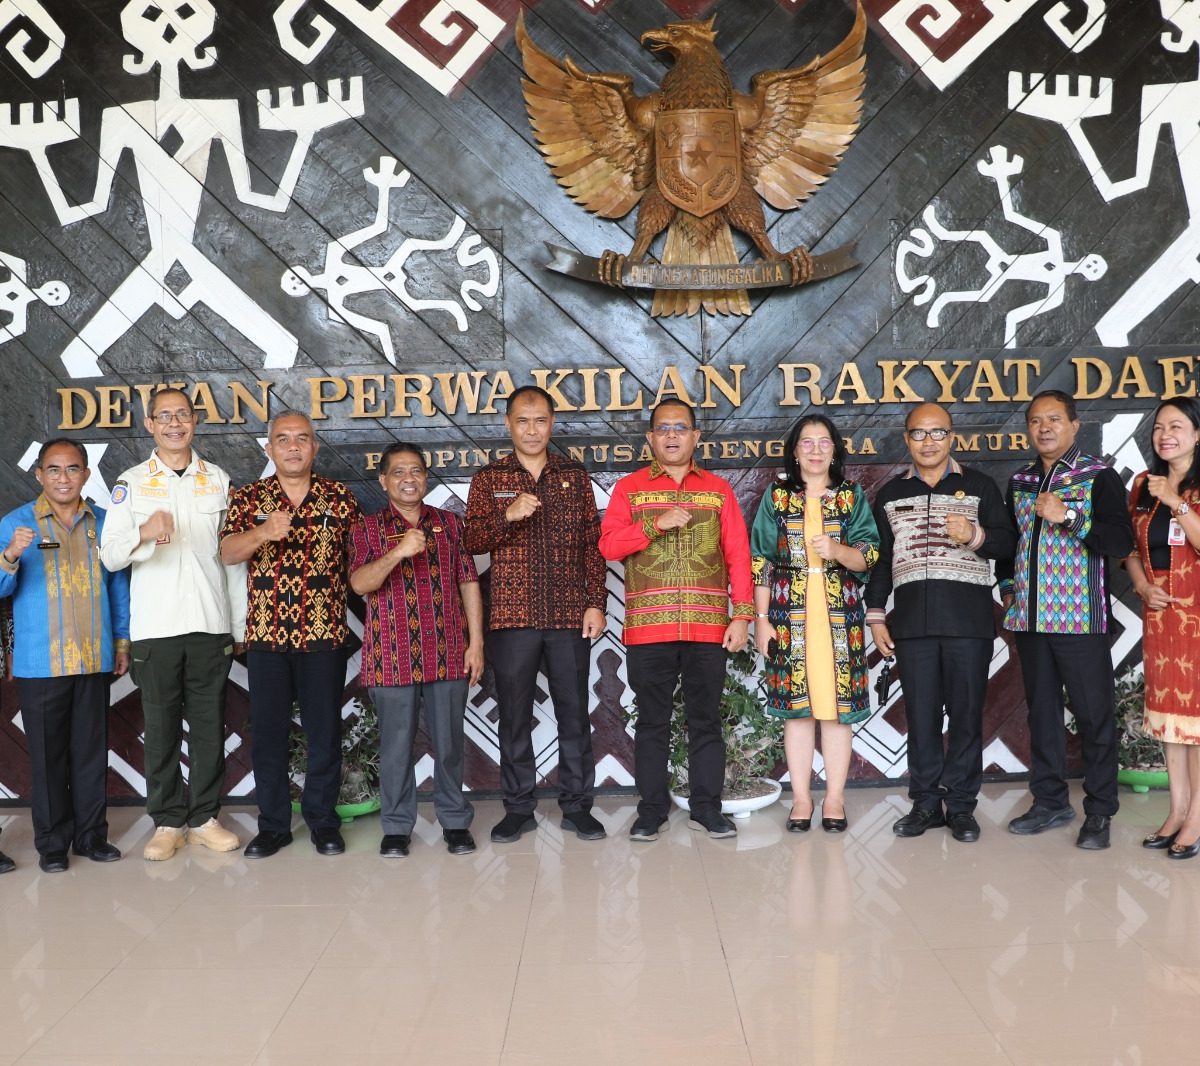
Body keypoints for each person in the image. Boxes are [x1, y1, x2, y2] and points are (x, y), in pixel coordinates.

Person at [100, 387, 245, 861]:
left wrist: (239, 626)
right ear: (149, 424)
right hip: (155, 629)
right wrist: (143, 532)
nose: (174, 424)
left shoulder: (217, 479)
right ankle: (166, 821)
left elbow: (232, 561)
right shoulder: (131, 482)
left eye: (182, 414)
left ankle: (203, 819)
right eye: (164, 416)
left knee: (208, 727)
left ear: (195, 421)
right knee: (160, 729)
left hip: (209, 623)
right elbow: (110, 555)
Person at [599, 400, 753, 841]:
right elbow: (609, 546)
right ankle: (651, 811)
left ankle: (707, 808)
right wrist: (655, 525)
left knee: (706, 720)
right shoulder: (630, 489)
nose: (671, 435)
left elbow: (738, 555)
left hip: (708, 627)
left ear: (695, 437)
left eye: (680, 428)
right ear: (650, 438)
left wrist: (742, 616)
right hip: (649, 628)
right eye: (663, 428)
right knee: (652, 722)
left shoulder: (718, 491)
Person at [866, 404, 1016, 842]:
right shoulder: (891, 494)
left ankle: (962, 806)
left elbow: (1008, 544)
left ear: (952, 437)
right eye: (919, 433)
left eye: (937, 432)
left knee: (967, 717)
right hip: (912, 625)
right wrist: (876, 614)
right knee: (921, 717)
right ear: (906, 439)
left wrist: (974, 536)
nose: (928, 441)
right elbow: (882, 559)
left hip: (969, 624)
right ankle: (927, 804)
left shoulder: (980, 486)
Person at [465, 386, 608, 844]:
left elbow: (592, 545)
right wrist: (507, 515)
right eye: (523, 421)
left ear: (552, 424)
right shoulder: (489, 479)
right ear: (508, 424)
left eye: (540, 420)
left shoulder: (574, 476)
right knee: (514, 717)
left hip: (569, 614)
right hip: (512, 616)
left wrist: (596, 602)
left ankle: (577, 807)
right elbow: (471, 541)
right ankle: (518, 808)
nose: (532, 430)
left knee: (574, 714)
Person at [220, 412, 363, 858]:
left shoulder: (339, 497)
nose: (294, 446)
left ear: (315, 447)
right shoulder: (250, 497)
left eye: (302, 438)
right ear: (270, 449)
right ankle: (273, 826)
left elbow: (360, 561)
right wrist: (264, 531)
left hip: (324, 635)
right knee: (268, 736)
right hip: (267, 637)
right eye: (283, 439)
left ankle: (323, 821)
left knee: (324, 733)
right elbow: (227, 552)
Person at [997, 389, 1135, 850]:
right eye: (1036, 421)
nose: (1045, 428)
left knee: (1094, 717)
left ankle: (1100, 811)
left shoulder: (1099, 476)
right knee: (1042, 716)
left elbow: (1119, 542)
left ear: (1075, 425)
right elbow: (1010, 545)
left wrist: (1069, 515)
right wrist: (1010, 590)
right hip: (1031, 622)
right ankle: (1050, 801)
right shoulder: (1019, 480)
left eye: (1054, 419)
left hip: (1080, 621)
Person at [0, 440, 130, 872]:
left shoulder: (105, 522)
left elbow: (118, 586)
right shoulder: (16, 523)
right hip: (41, 662)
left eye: (72, 469)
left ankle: (92, 838)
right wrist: (11, 555)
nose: (63, 477)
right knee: (48, 756)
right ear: (39, 474)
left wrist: (122, 641)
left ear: (86, 474)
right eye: (53, 469)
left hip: (93, 656)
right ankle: (52, 845)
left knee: (91, 753)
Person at [349, 443, 483, 857]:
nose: (409, 479)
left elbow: (468, 582)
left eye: (416, 471)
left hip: (448, 649)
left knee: (449, 745)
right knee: (395, 748)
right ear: (383, 480)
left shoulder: (450, 523)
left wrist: (476, 643)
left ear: (426, 477)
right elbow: (360, 583)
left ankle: (455, 822)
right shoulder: (367, 528)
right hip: (390, 655)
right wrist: (398, 551)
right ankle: (396, 827)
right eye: (399, 472)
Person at [750, 415, 879, 834]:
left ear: (835, 450)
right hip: (789, 617)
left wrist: (837, 550)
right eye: (807, 442)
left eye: (824, 442)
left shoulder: (850, 496)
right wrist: (762, 620)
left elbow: (869, 554)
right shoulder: (776, 496)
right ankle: (802, 799)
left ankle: (835, 798)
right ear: (794, 451)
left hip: (841, 618)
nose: (816, 450)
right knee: (798, 713)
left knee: (837, 714)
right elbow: (761, 561)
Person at [1126, 398, 1200, 859]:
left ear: (1197, 434)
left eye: (1176, 426)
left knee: (1198, 722)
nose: (1165, 435)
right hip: (1161, 616)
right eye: (1158, 427)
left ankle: (1196, 819)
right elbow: (1130, 548)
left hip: (1199, 617)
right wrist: (1141, 586)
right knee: (1171, 722)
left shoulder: (1184, 490)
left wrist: (1175, 502)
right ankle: (1176, 811)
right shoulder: (1141, 484)